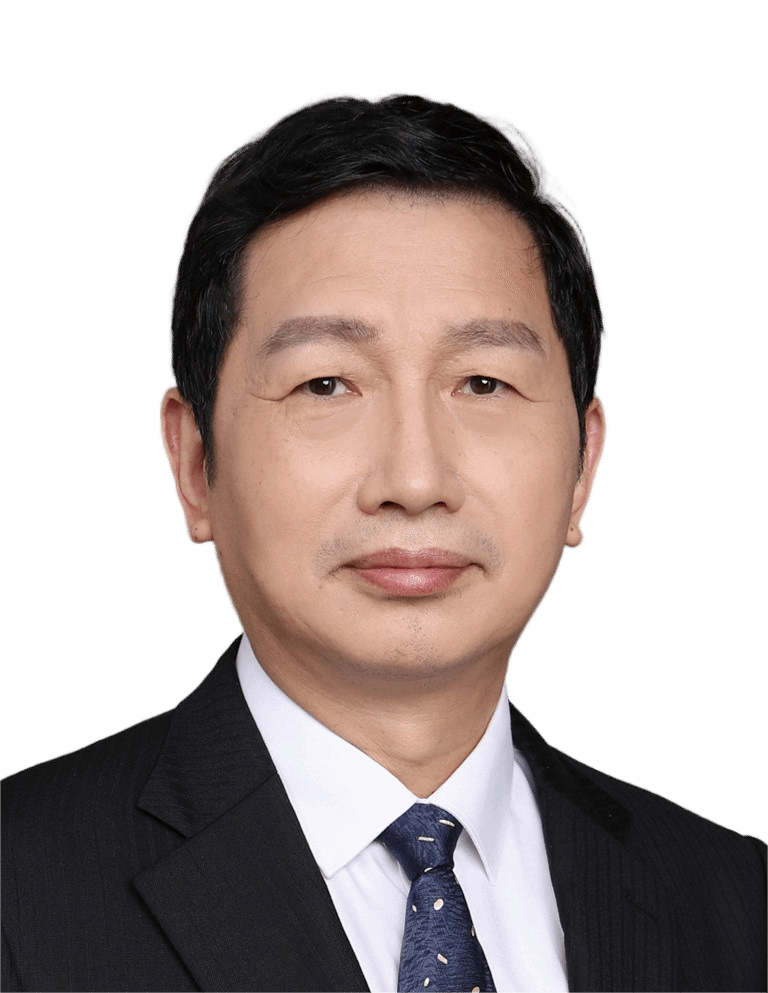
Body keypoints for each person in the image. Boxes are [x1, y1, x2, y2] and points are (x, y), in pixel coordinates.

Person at [1, 92, 765, 993]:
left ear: (584, 466)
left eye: (483, 383)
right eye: (326, 384)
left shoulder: (734, 897)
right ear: (196, 461)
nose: (413, 477)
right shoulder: (18, 881)